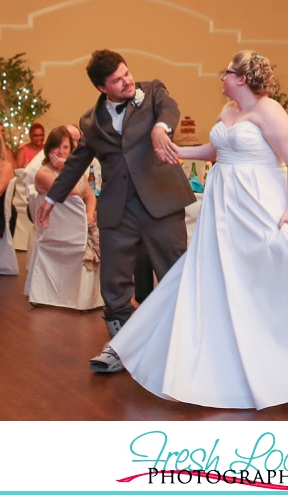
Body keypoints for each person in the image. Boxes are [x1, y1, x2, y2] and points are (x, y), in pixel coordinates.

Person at [110, 50, 288, 409]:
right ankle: (217, 361)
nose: (222, 78)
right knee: (216, 275)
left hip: (258, 200)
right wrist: (179, 153)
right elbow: (216, 151)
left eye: (227, 73)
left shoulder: (269, 111)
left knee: (272, 276)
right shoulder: (228, 111)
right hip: (223, 202)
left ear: (242, 78)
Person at [35, 50, 195, 374]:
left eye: (126, 73)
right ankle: (122, 348)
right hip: (118, 209)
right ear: (101, 88)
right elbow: (76, 164)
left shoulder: (152, 93)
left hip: (160, 202)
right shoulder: (89, 122)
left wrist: (161, 127)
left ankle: (185, 346)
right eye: (117, 80)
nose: (127, 81)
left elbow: (170, 109)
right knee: (113, 281)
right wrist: (51, 200)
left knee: (175, 273)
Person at [34, 126, 99, 270]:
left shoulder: (76, 173)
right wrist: (67, 166)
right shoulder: (43, 174)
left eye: (65, 147)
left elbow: (90, 197)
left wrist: (89, 215)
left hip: (77, 225)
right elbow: (73, 191)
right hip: (59, 231)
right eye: (56, 146)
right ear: (48, 148)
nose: (61, 151)